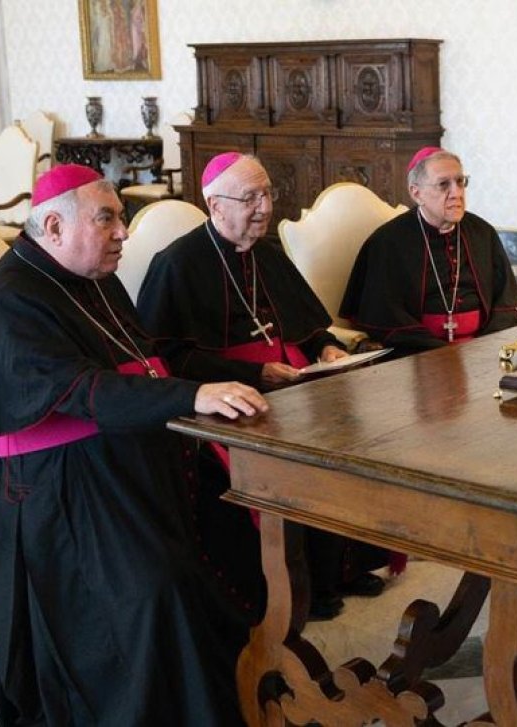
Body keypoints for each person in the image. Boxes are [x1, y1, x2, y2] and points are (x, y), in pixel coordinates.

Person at [0, 164, 269, 725]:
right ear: (53, 225)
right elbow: (84, 390)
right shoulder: (10, 300)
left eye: (120, 216)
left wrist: (190, 394)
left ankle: (241, 685)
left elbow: (141, 361)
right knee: (157, 592)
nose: (124, 231)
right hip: (57, 494)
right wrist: (189, 395)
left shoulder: (93, 277)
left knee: (236, 527)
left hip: (120, 464)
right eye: (108, 218)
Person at [137, 152, 388, 620]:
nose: (264, 206)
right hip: (230, 397)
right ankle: (295, 581)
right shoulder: (177, 264)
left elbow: (310, 325)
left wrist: (328, 349)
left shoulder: (268, 255)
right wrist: (257, 375)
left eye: (267, 193)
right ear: (215, 205)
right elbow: (168, 357)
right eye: (250, 197)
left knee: (355, 436)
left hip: (299, 385)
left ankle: (341, 566)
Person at [340, 146, 517, 356]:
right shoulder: (388, 241)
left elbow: (505, 306)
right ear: (416, 193)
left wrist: (484, 349)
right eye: (443, 184)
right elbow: (386, 318)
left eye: (460, 182)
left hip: (480, 351)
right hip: (419, 355)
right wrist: (443, 354)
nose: (456, 193)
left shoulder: (482, 232)